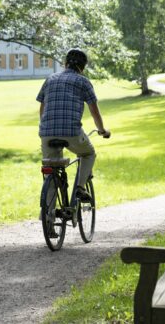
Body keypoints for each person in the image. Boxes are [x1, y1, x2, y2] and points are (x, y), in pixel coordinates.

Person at [36, 48, 111, 218]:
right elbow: (94, 111)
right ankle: (80, 188)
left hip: (47, 132)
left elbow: (42, 107)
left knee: (51, 168)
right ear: (83, 67)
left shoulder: (50, 79)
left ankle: (48, 215)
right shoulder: (83, 81)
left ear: (65, 63)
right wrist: (102, 130)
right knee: (88, 153)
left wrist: (46, 126)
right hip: (71, 132)